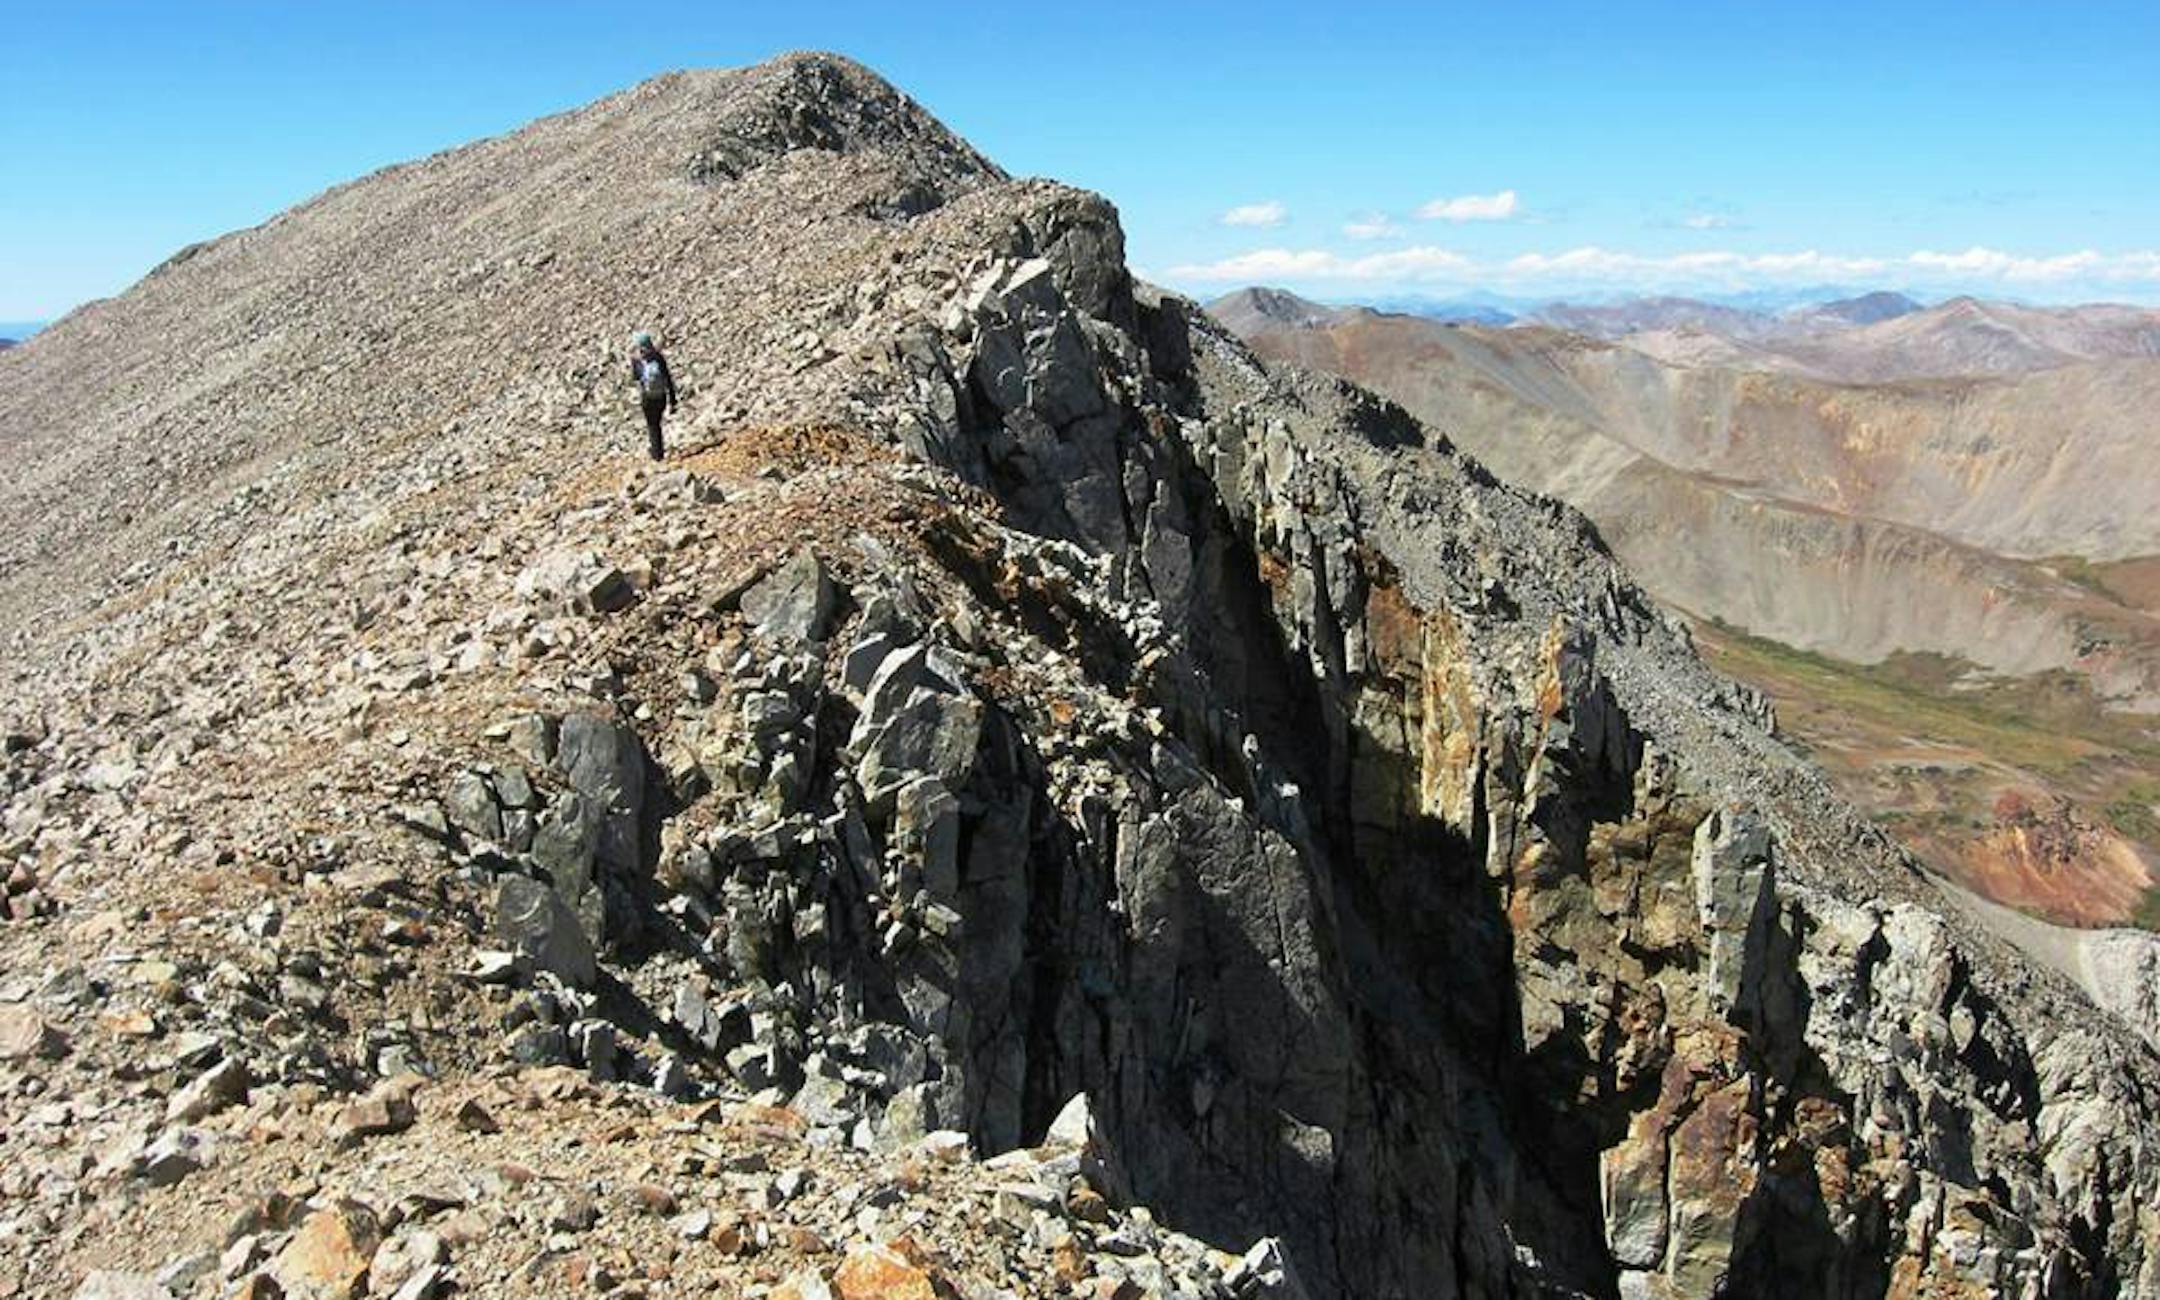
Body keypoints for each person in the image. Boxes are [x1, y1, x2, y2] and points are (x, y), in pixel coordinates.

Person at [628, 331, 678, 461]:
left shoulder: (636, 360)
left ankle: (656, 454)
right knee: (657, 423)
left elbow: (635, 378)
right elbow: (668, 379)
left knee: (652, 425)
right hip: (661, 397)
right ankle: (659, 451)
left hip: (647, 398)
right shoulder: (658, 357)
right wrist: (673, 401)